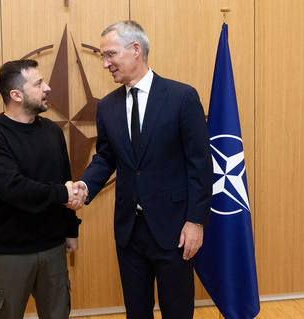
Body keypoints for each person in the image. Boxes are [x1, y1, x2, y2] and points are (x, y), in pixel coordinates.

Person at [74, 21, 213, 318]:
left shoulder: (182, 97)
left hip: (174, 228)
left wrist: (195, 222)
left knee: (177, 310)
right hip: (129, 230)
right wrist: (85, 186)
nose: (105, 64)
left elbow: (200, 165)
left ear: (136, 49)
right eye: (103, 56)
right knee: (136, 311)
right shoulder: (107, 106)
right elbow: (105, 158)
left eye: (110, 54)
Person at [0, 59, 85, 319]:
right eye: (38, 83)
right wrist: (63, 193)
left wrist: (71, 229)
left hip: (52, 248)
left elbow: (64, 180)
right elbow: (14, 188)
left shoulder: (53, 132)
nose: (47, 88)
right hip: (10, 252)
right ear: (16, 95)